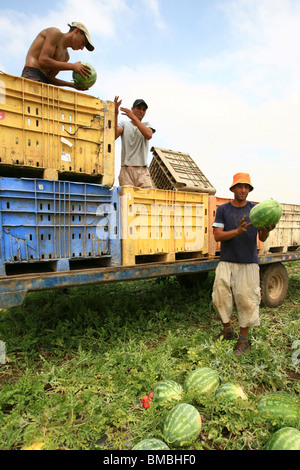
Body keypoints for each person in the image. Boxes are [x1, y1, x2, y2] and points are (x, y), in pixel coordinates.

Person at [212, 173, 276, 357]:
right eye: (239, 186)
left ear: (249, 189)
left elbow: (261, 238)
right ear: (233, 189)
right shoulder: (224, 210)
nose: (243, 190)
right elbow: (217, 236)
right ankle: (227, 330)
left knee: (246, 300)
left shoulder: (255, 211)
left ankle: (243, 339)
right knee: (220, 297)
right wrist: (238, 231)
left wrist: (266, 231)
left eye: (246, 187)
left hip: (248, 262)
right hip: (226, 260)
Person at [21, 22, 94, 89]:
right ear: (76, 31)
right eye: (83, 42)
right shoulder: (54, 33)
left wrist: (72, 85)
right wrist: (72, 66)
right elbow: (43, 60)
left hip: (44, 81)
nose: (81, 48)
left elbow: (49, 78)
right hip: (32, 73)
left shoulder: (65, 56)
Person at [114, 96, 155, 188]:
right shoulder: (124, 124)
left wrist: (134, 118)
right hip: (126, 171)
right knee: (127, 201)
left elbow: (149, 135)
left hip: (142, 171)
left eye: (144, 110)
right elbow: (113, 136)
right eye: (139, 108)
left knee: (147, 200)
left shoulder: (147, 125)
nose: (141, 111)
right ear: (132, 109)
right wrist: (115, 114)